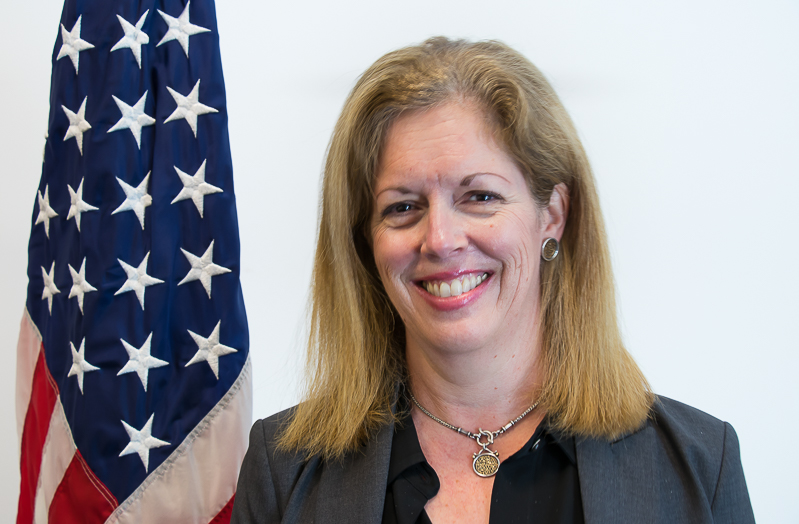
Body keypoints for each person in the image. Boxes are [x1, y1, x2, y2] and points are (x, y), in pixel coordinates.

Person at [231, 37, 755, 523]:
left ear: (553, 214)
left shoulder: (700, 468)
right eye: (403, 206)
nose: (440, 239)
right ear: (365, 242)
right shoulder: (284, 475)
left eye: (479, 197)